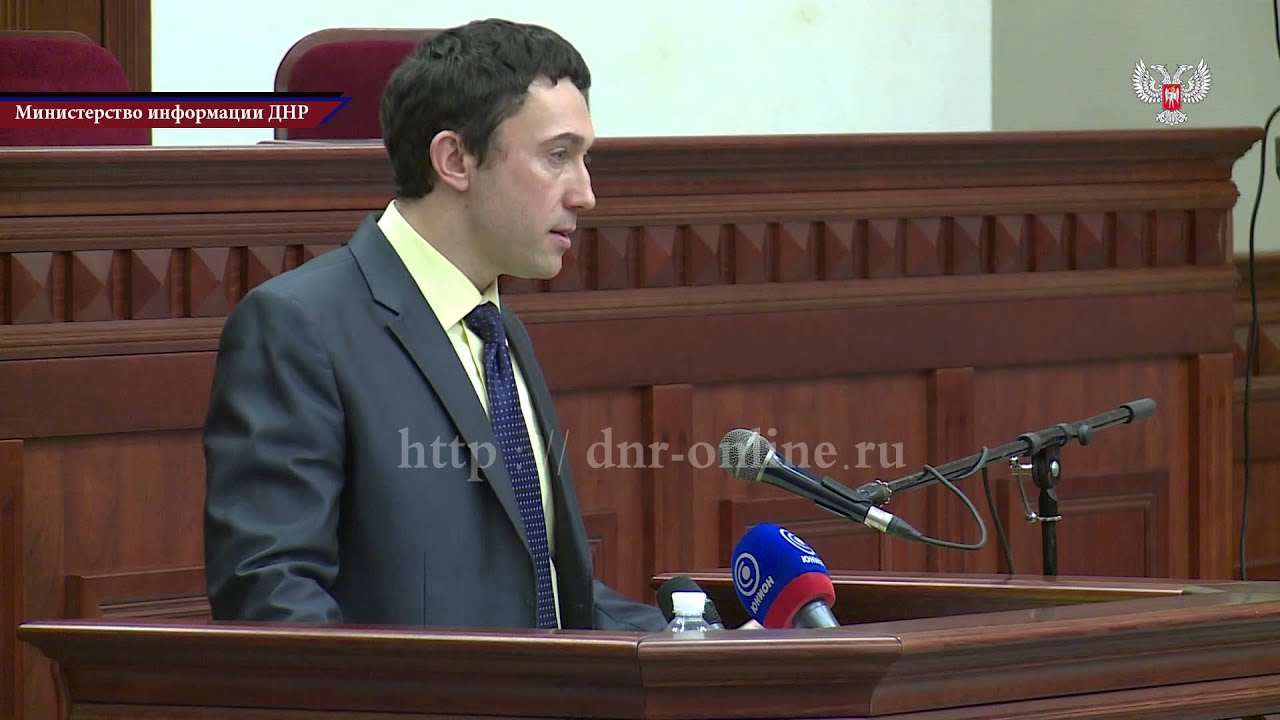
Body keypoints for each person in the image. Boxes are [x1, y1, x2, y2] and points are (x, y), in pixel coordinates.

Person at [202, 18, 668, 632]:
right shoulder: (297, 328)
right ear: (455, 159)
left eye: (584, 159)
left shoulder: (497, 331)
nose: (585, 193)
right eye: (558, 156)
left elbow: (542, 586)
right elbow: (272, 596)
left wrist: (697, 643)